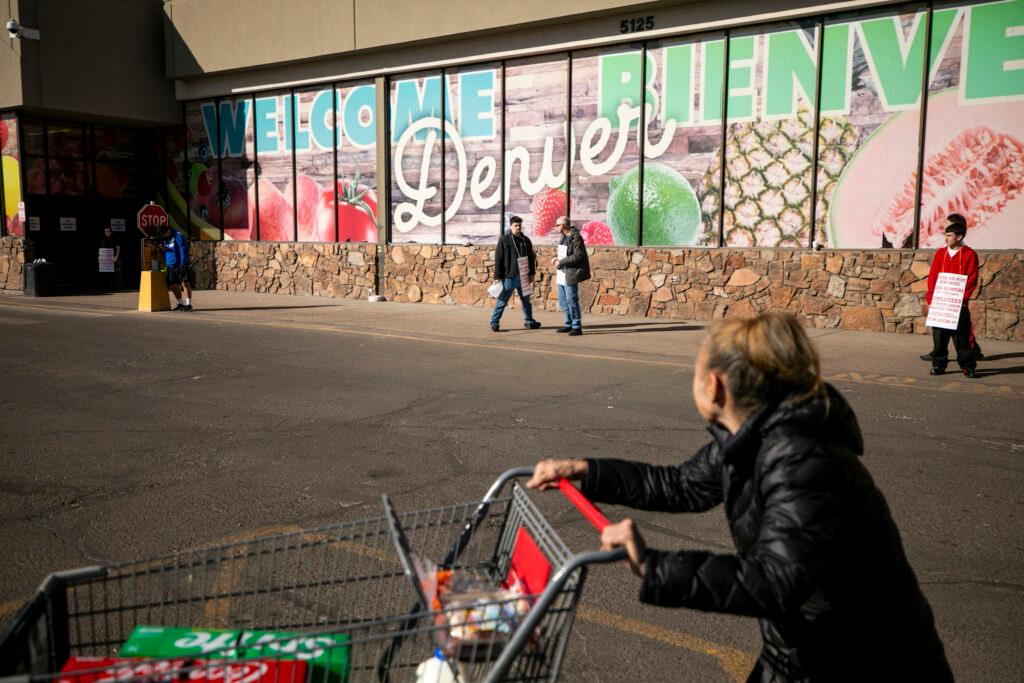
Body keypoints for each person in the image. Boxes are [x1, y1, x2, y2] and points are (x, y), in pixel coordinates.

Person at [528, 312, 953, 682]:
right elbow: (681, 485)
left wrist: (654, 564)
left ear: (714, 385)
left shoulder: (801, 457)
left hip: (867, 663)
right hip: (803, 652)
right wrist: (583, 470)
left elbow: (776, 579)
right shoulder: (750, 436)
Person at [925, 214, 979, 378]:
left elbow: (971, 279)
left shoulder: (969, 254)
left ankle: (967, 366)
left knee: (961, 338)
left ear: (959, 236)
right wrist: (931, 299)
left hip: (958, 304)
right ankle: (939, 365)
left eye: (949, 235)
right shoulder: (940, 254)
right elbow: (933, 277)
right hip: (940, 303)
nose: (946, 239)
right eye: (945, 235)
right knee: (939, 338)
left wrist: (960, 298)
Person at [490, 215, 542, 332]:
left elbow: (530, 258)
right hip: (510, 276)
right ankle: (494, 322)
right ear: (510, 226)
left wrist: (532, 273)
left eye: (519, 225)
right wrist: (497, 276)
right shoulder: (504, 240)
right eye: (515, 225)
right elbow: (499, 258)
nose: (518, 227)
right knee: (503, 300)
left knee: (526, 301)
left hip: (524, 275)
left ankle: (529, 320)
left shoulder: (526, 240)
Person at [550, 216, 590, 335]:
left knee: (571, 300)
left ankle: (576, 326)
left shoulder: (576, 237)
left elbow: (578, 255)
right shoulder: (563, 237)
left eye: (558, 225)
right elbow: (560, 252)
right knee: (563, 301)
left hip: (571, 274)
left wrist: (561, 262)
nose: (556, 227)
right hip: (562, 273)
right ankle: (567, 324)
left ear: (564, 225)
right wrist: (555, 257)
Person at [158, 225, 193, 311]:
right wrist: (164, 249)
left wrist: (183, 264)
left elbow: (182, 249)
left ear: (168, 231)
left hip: (180, 264)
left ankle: (188, 304)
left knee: (184, 283)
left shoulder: (178, 235)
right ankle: (180, 303)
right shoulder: (164, 238)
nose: (163, 236)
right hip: (170, 265)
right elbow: (166, 250)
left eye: (163, 234)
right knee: (173, 285)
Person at [98, 225, 121, 291]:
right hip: (104, 260)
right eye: (105, 231)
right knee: (105, 274)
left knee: (113, 274)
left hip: (113, 259)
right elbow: (100, 250)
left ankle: (114, 288)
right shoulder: (103, 239)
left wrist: (116, 256)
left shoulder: (114, 238)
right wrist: (99, 257)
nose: (107, 232)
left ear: (111, 232)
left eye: (108, 231)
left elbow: (118, 248)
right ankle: (106, 288)